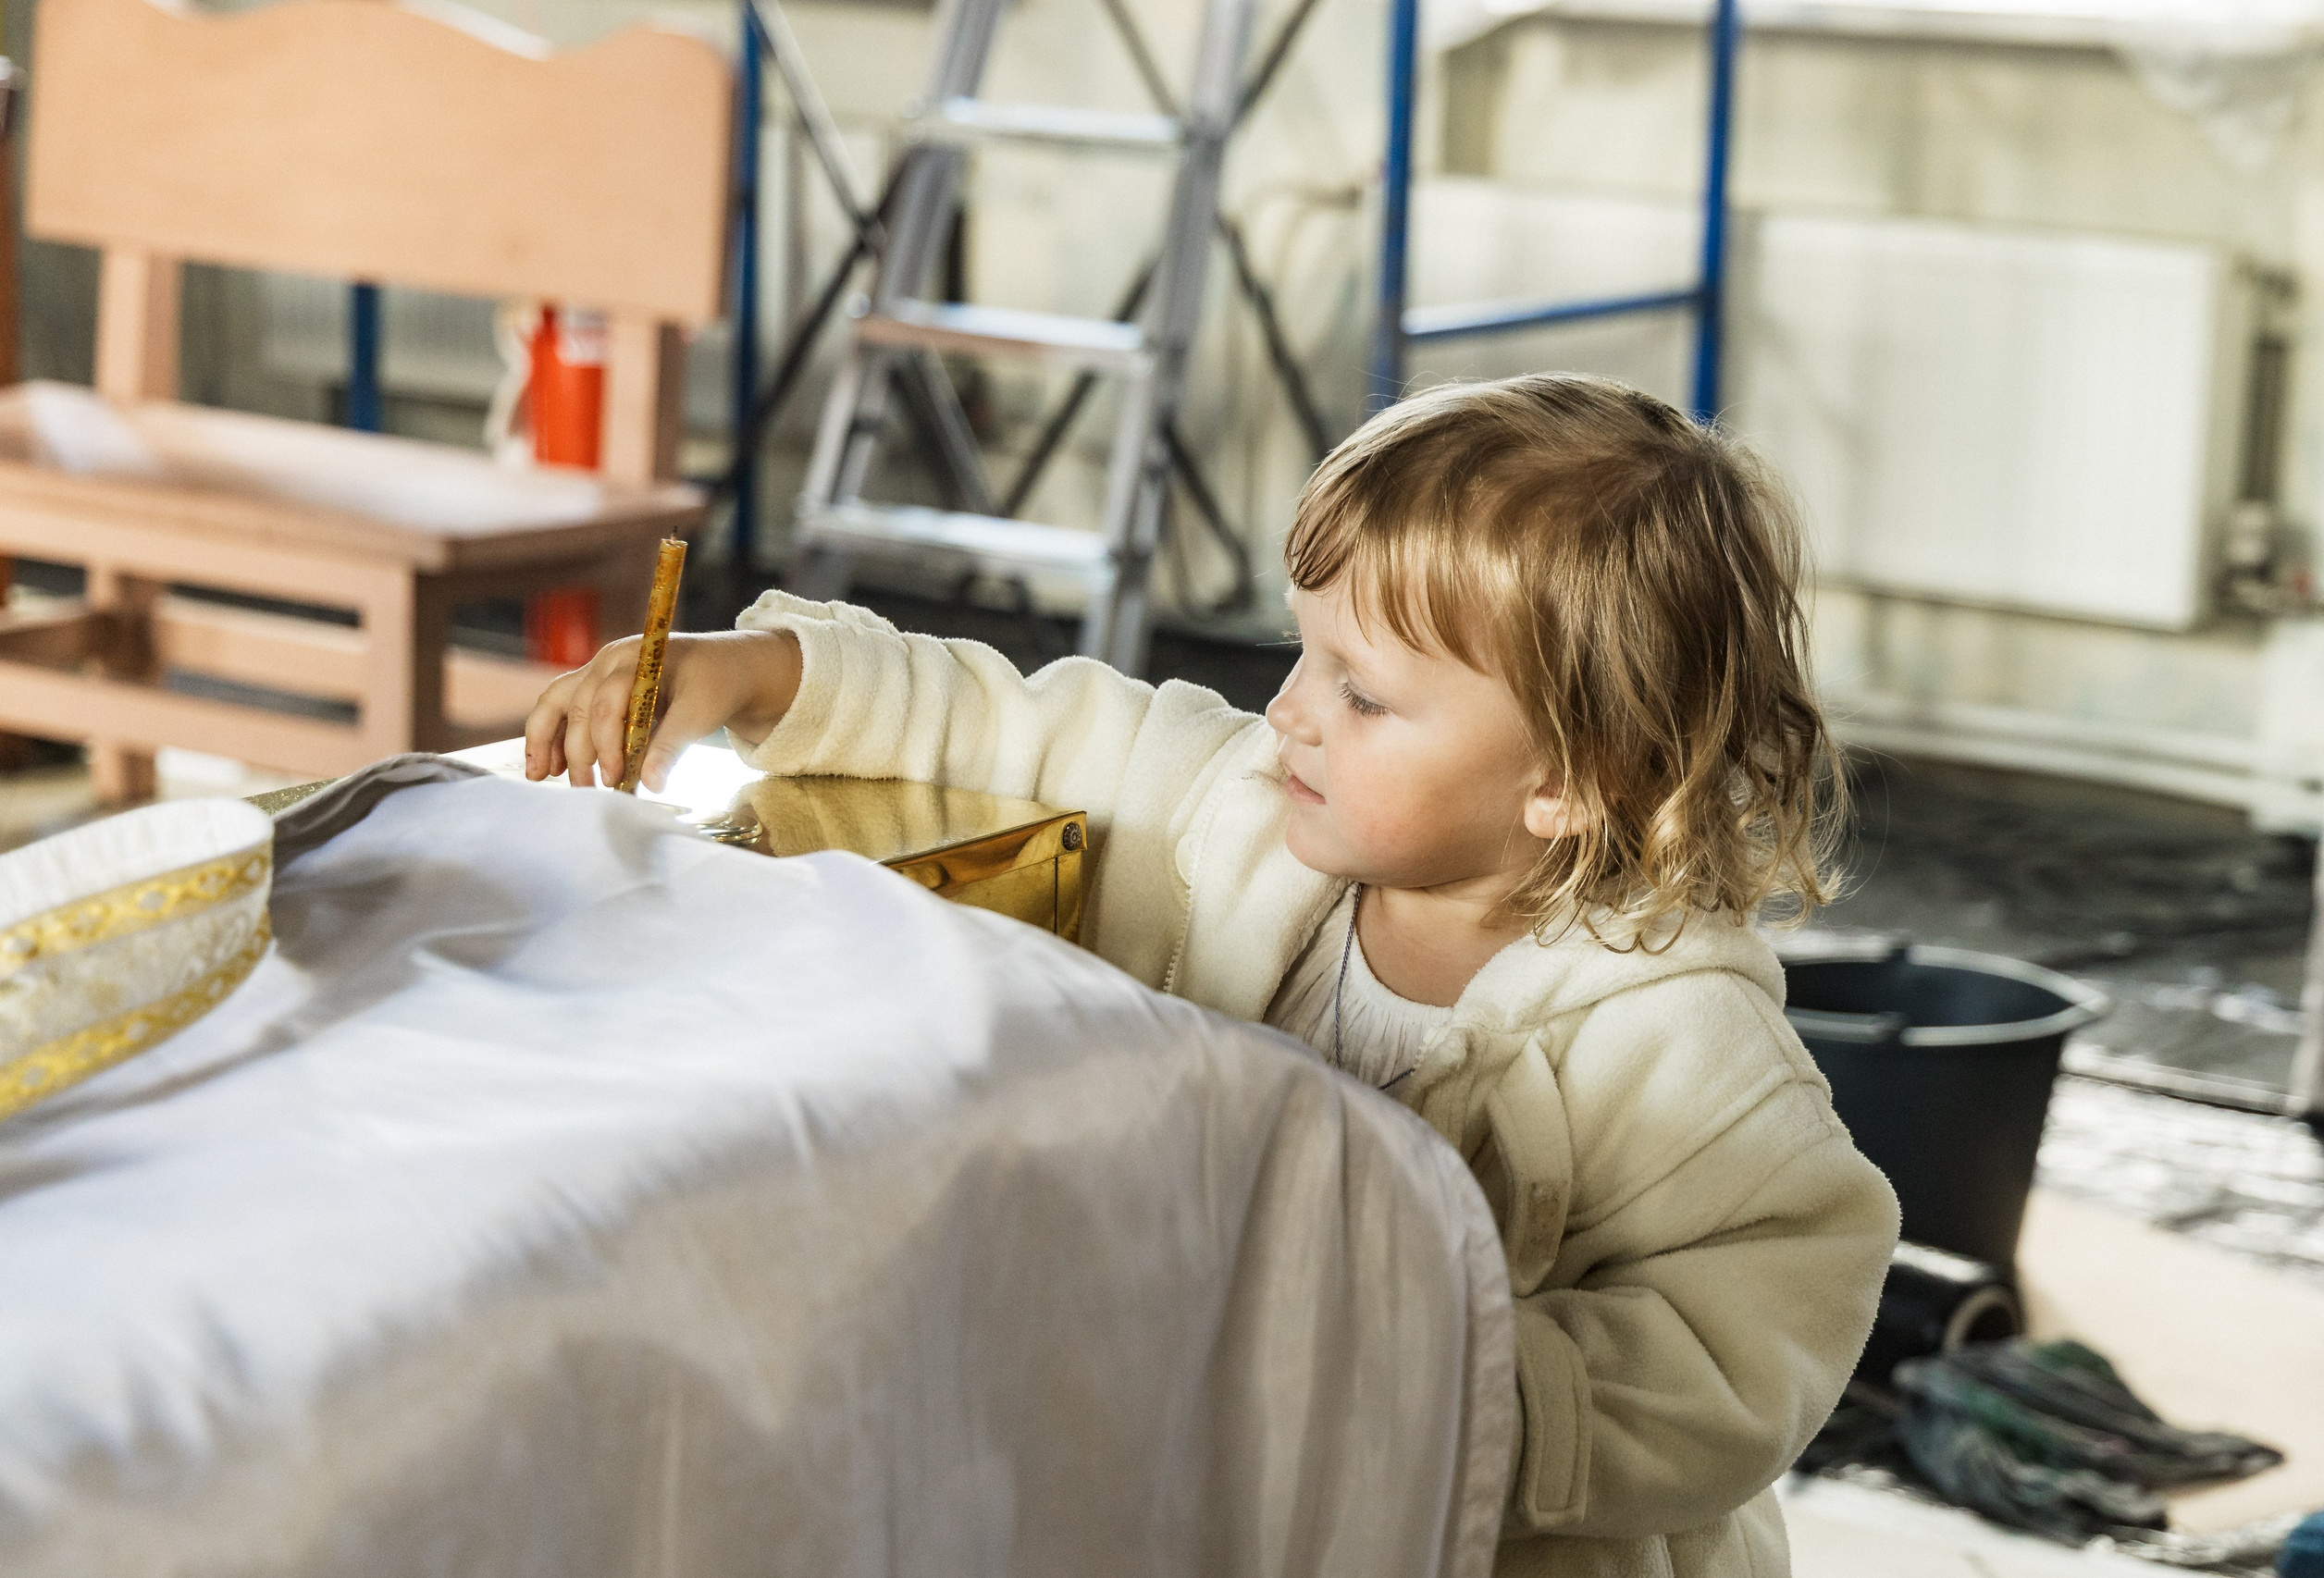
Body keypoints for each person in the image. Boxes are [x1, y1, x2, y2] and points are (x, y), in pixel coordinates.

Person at [526, 373, 1898, 1576]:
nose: (1291, 710)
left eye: (1361, 695)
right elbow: (1007, 718)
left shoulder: (1675, 1037)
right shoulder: (1243, 803)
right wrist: (758, 671)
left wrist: (1458, 1392)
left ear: (1570, 782)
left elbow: (1769, 1312)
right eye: (1304, 651)